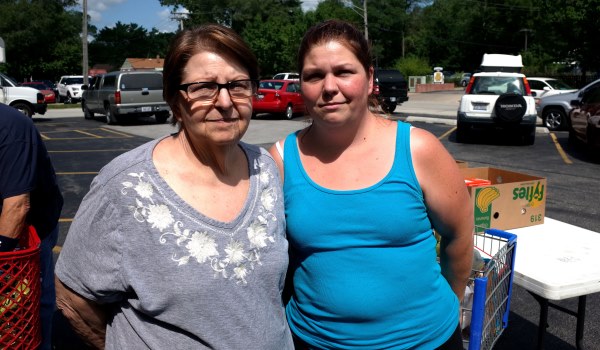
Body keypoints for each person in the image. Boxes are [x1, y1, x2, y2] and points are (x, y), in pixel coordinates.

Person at [54, 24, 293, 350]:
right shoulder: (126, 187)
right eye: (205, 87)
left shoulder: (264, 168)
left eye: (238, 85)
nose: (224, 102)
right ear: (174, 98)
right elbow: (72, 298)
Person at [269, 20, 474, 349]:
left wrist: (445, 307)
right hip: (315, 341)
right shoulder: (280, 161)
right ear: (302, 86)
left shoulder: (419, 149)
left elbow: (459, 236)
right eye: (314, 75)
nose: (329, 87)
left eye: (344, 71)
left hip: (426, 340)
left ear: (370, 80)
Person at [0, 103, 63, 350]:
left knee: (33, 301)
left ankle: (39, 343)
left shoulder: (11, 127)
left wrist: (2, 259)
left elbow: (17, 206)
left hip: (33, 225)